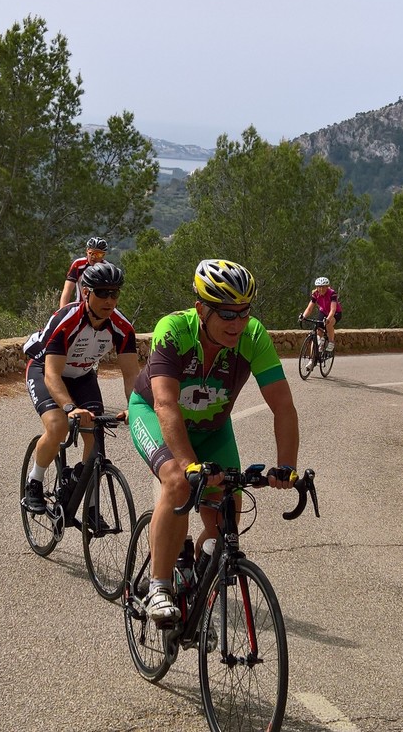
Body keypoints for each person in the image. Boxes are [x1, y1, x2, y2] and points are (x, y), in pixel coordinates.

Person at [127, 259, 299, 622]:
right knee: (178, 482)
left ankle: (196, 570)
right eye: (226, 314)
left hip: (213, 428)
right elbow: (165, 404)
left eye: (244, 312)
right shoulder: (174, 330)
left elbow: (283, 406)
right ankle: (159, 586)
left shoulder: (253, 336)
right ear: (201, 309)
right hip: (154, 414)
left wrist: (286, 465)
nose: (237, 323)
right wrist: (189, 465)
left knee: (227, 517)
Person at [22, 261, 139, 514]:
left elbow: (131, 374)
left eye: (114, 293)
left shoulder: (122, 328)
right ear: (86, 292)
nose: (109, 300)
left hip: (82, 374)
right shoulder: (66, 320)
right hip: (45, 369)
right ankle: (34, 481)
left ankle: (88, 503)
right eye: (102, 293)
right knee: (58, 426)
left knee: (95, 440)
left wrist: (134, 407)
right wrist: (69, 408)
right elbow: (52, 375)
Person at [59, 237, 109, 309]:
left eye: (98, 254)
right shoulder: (78, 264)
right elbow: (67, 290)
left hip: (99, 308)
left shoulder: (107, 268)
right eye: (91, 253)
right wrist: (62, 311)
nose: (93, 257)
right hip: (80, 307)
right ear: (87, 251)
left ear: (103, 255)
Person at [299, 276, 342, 358]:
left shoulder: (332, 293)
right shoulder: (315, 294)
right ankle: (313, 358)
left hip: (335, 313)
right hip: (323, 312)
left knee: (328, 324)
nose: (321, 289)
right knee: (318, 331)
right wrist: (303, 316)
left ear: (327, 287)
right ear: (317, 287)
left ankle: (331, 342)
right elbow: (309, 308)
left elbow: (333, 310)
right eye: (319, 287)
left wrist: (328, 319)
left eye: (323, 287)